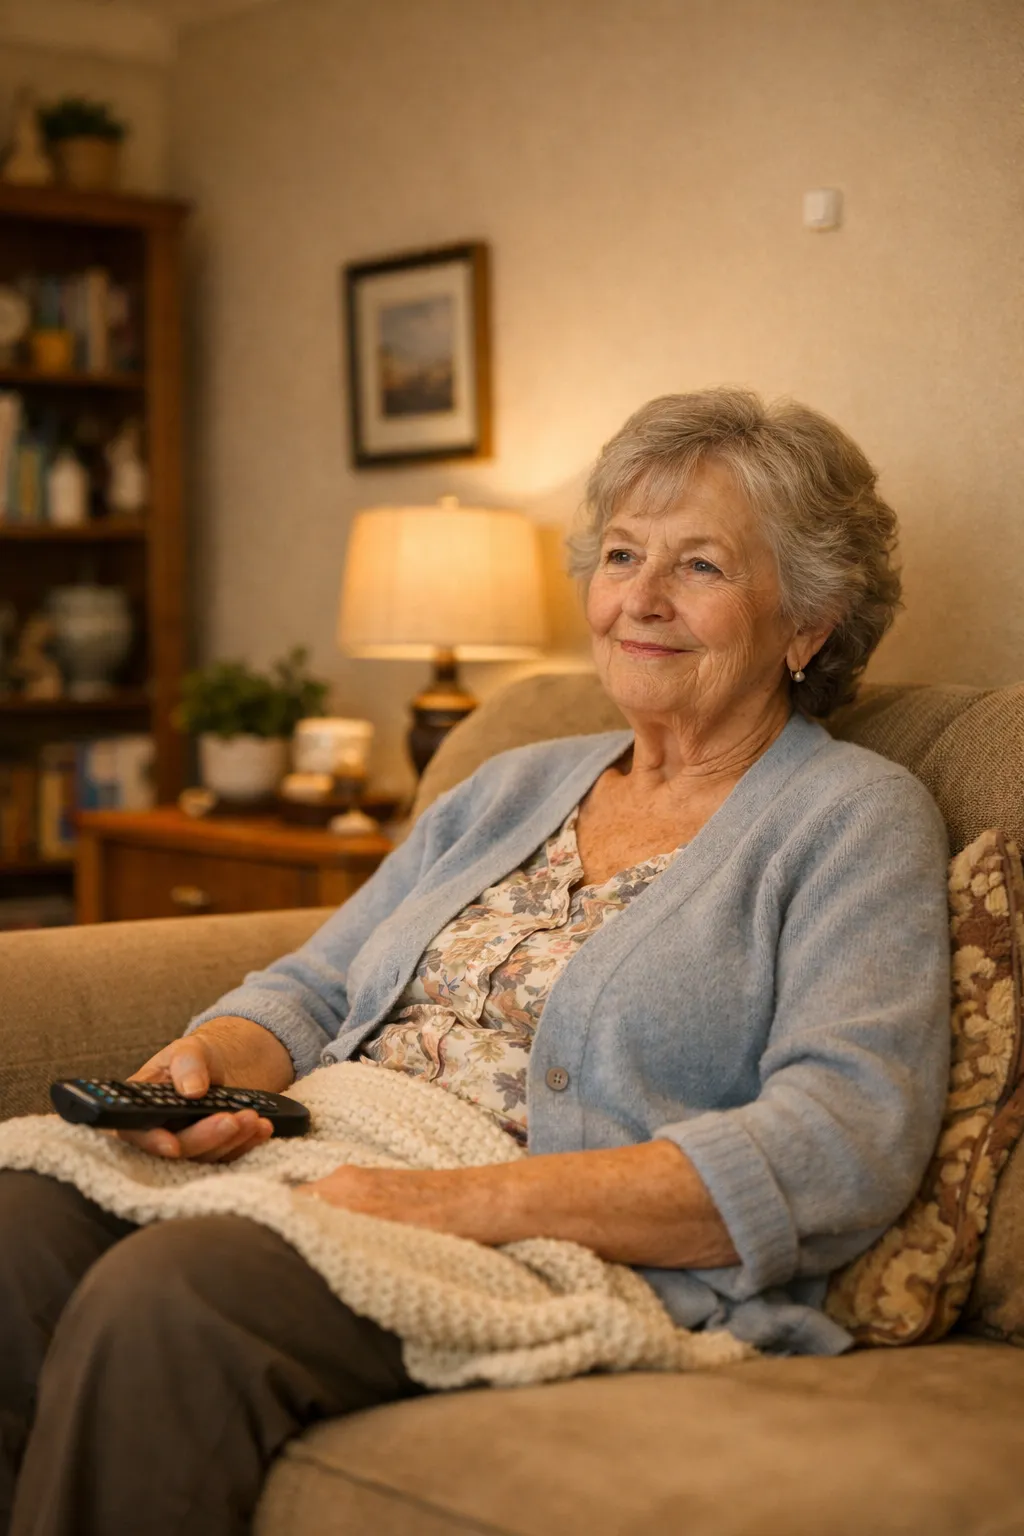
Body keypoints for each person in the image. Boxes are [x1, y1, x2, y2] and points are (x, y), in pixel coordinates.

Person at [1, 387, 951, 1536]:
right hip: (328, 1160)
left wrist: (446, 1205)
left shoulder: (852, 816)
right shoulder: (512, 783)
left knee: (170, 1300)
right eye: (619, 554)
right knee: (18, 1220)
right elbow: (315, 987)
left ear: (808, 622)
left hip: (536, 1237)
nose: (638, 601)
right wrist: (205, 1062)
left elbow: (841, 1140)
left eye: (699, 567)